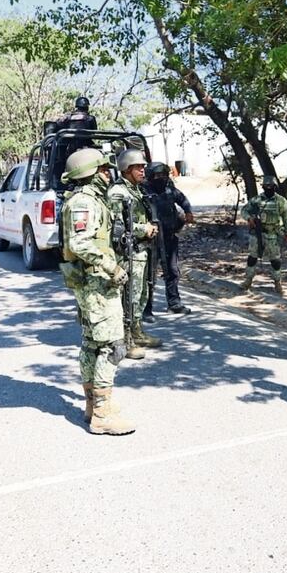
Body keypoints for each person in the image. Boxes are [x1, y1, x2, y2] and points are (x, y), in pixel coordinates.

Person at [58, 148, 136, 435]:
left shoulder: (88, 200)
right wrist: (111, 267)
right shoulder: (83, 202)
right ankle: (101, 415)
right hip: (97, 283)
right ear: (90, 173)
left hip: (93, 282)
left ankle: (94, 404)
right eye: (103, 169)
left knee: (92, 343)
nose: (108, 173)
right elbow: (79, 243)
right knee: (112, 346)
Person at [108, 149, 163, 360]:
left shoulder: (137, 190)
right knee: (128, 298)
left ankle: (137, 332)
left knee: (141, 295)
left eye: (143, 167)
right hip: (128, 253)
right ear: (127, 169)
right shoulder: (118, 192)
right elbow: (117, 224)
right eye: (138, 167)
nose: (143, 170)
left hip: (141, 251)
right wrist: (143, 229)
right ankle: (126, 340)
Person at [144, 161, 194, 317]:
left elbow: (183, 199)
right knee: (148, 275)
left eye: (164, 175)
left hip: (169, 237)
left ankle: (174, 303)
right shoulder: (142, 191)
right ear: (151, 176)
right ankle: (146, 308)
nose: (162, 178)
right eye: (158, 175)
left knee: (172, 271)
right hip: (151, 240)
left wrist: (188, 211)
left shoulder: (169, 189)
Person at [240, 175, 287, 294]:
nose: (268, 188)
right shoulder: (256, 200)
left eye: (271, 186)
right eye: (266, 186)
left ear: (275, 186)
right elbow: (244, 210)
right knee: (252, 257)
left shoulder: (281, 201)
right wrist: (249, 218)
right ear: (263, 186)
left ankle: (277, 282)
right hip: (257, 233)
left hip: (273, 234)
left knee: (275, 260)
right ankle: (248, 280)